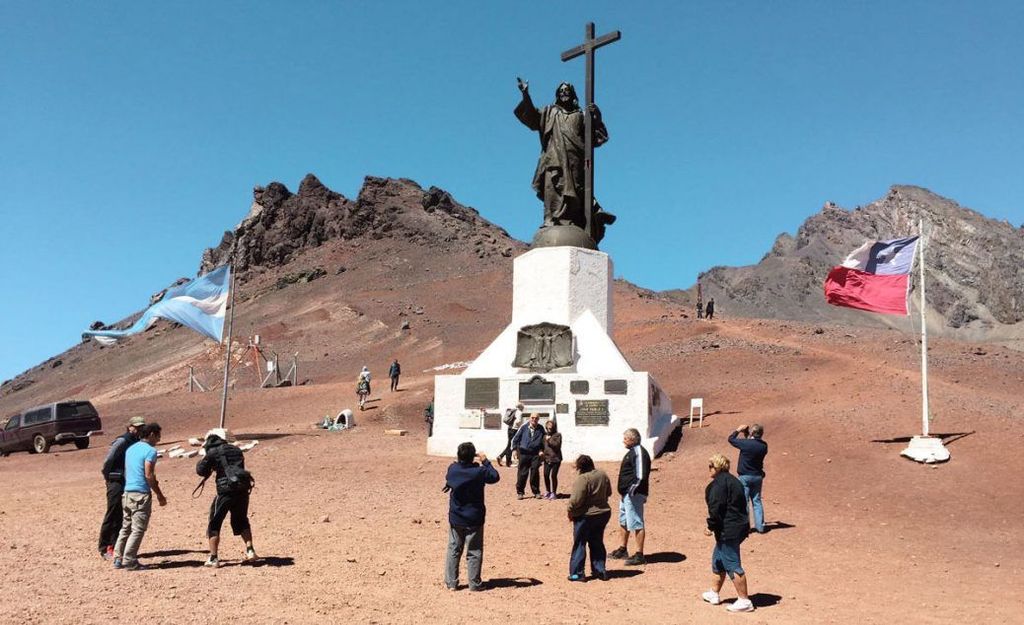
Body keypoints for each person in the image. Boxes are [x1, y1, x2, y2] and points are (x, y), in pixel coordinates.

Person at [514, 78, 615, 244]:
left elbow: (597, 138)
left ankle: (578, 221)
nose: (564, 93)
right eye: (561, 91)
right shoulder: (549, 113)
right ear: (557, 95)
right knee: (553, 188)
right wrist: (526, 94)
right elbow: (531, 116)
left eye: (567, 91)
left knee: (576, 192)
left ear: (572, 94)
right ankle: (551, 220)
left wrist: (596, 117)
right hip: (553, 159)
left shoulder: (581, 115)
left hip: (576, 160)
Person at [196, 428, 257, 567]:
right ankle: (250, 550)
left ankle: (213, 558)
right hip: (241, 490)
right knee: (242, 520)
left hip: (224, 492)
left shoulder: (212, 452)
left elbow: (200, 470)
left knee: (214, 522)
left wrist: (205, 457)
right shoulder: (237, 450)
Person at [702, 453, 755, 612]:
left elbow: (716, 509)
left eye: (710, 466)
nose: (709, 469)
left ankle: (744, 601)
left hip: (728, 529)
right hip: (738, 526)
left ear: (717, 467)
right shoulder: (734, 481)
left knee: (732, 563)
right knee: (718, 560)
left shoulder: (718, 485)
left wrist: (710, 526)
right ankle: (714, 593)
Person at [444, 442, 500, 591]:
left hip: (457, 516)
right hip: (474, 517)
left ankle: (451, 583)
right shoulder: (479, 472)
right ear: (472, 456)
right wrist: (485, 461)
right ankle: (474, 583)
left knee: (454, 549)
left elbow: (450, 477)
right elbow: (495, 477)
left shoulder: (453, 469)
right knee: (474, 551)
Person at [112, 423, 166, 571]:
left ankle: (118, 557)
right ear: (151, 435)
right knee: (138, 529)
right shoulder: (150, 451)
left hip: (127, 492)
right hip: (141, 494)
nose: (159, 439)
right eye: (158, 436)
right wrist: (159, 494)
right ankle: (130, 561)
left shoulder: (131, 449)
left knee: (126, 527)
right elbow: (149, 474)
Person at [97, 415, 145, 559]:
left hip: (128, 482)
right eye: (136, 427)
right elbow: (108, 460)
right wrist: (109, 477)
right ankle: (105, 547)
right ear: (129, 427)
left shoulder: (138, 442)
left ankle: (117, 546)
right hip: (115, 481)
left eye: (141, 427)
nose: (138, 430)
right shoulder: (122, 441)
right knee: (113, 512)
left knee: (124, 515)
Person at [566, 454, 612, 582]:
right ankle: (600, 570)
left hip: (585, 516)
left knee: (580, 543)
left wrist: (570, 511)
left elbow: (576, 500)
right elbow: (609, 492)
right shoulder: (603, 475)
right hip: (603, 513)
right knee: (597, 541)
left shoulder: (583, 478)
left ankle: (577, 574)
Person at [609, 428, 651, 566]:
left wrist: (631, 491)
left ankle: (639, 554)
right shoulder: (632, 452)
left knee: (637, 522)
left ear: (633, 439)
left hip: (633, 494)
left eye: (625, 438)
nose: (623, 441)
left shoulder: (638, 452)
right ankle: (623, 549)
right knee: (624, 521)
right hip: (626, 494)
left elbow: (640, 476)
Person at [728, 424, 768, 534]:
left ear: (752, 433)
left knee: (744, 501)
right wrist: (747, 434)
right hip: (757, 476)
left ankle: (745, 527)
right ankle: (760, 526)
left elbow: (731, 439)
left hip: (744, 476)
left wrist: (738, 429)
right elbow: (751, 445)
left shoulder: (746, 444)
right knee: (757, 501)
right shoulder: (764, 446)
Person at [511, 413, 545, 499]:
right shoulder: (523, 427)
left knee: (534, 473)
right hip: (524, 454)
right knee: (522, 473)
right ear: (529, 418)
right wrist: (514, 450)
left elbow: (543, 441)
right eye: (532, 418)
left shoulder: (541, 428)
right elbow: (515, 439)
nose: (534, 419)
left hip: (535, 454)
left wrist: (542, 450)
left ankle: (536, 492)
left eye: (536, 418)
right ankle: (520, 492)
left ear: (538, 419)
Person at [497, 403, 523, 467]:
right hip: (515, 429)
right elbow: (518, 421)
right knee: (511, 445)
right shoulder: (519, 412)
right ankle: (508, 462)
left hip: (509, 429)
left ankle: (501, 457)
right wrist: (521, 425)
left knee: (509, 445)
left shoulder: (514, 411)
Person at [542, 419, 563, 499]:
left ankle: (554, 492)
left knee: (553, 476)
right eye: (548, 427)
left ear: (554, 427)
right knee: (546, 475)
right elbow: (542, 446)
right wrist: (540, 452)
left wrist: (549, 440)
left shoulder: (557, 435)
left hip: (556, 459)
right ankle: (548, 491)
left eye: (551, 427)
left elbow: (557, 445)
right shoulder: (544, 436)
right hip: (547, 458)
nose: (549, 428)